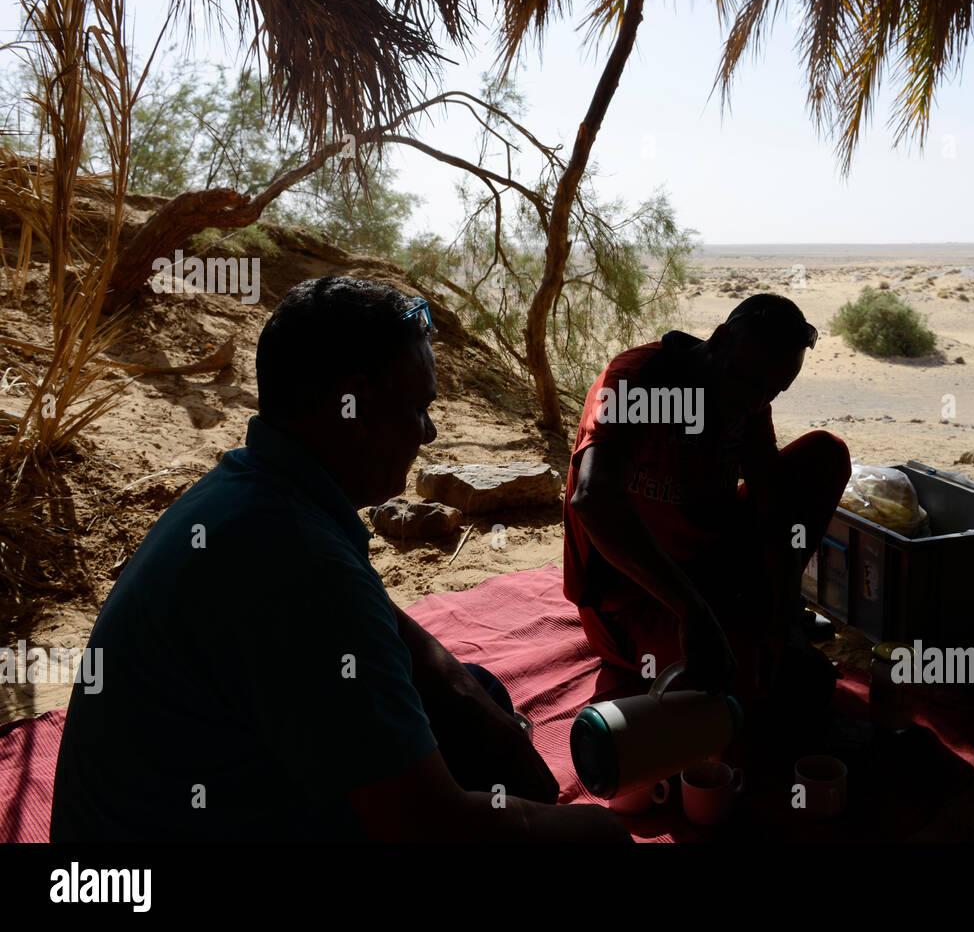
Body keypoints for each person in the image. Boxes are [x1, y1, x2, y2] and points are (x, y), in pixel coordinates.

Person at [51, 276, 629, 843]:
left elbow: (394, 633)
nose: (428, 434)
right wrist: (595, 829)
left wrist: (473, 704)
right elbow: (428, 825)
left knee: (475, 695)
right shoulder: (298, 563)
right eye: (420, 408)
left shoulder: (255, 490)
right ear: (354, 407)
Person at [563, 294, 851, 726]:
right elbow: (593, 499)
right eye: (752, 384)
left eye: (773, 392)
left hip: (706, 571)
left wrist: (784, 615)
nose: (757, 403)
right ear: (718, 341)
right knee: (746, 687)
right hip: (630, 602)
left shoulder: (746, 399)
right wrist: (692, 611)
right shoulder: (640, 383)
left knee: (824, 455)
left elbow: (775, 508)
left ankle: (759, 620)